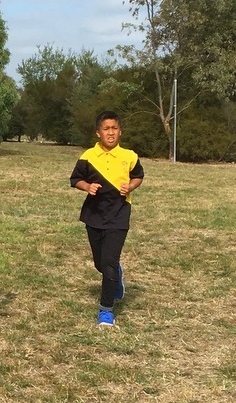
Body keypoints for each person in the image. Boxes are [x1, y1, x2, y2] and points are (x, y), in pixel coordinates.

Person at [69, 110, 144, 327]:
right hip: (94, 215)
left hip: (119, 215)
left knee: (109, 263)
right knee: (100, 264)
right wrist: (87, 186)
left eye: (114, 128)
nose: (110, 133)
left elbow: (138, 176)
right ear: (98, 133)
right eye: (106, 129)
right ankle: (116, 276)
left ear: (120, 132)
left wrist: (130, 186)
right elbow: (75, 179)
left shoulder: (129, 156)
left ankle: (106, 310)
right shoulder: (88, 157)